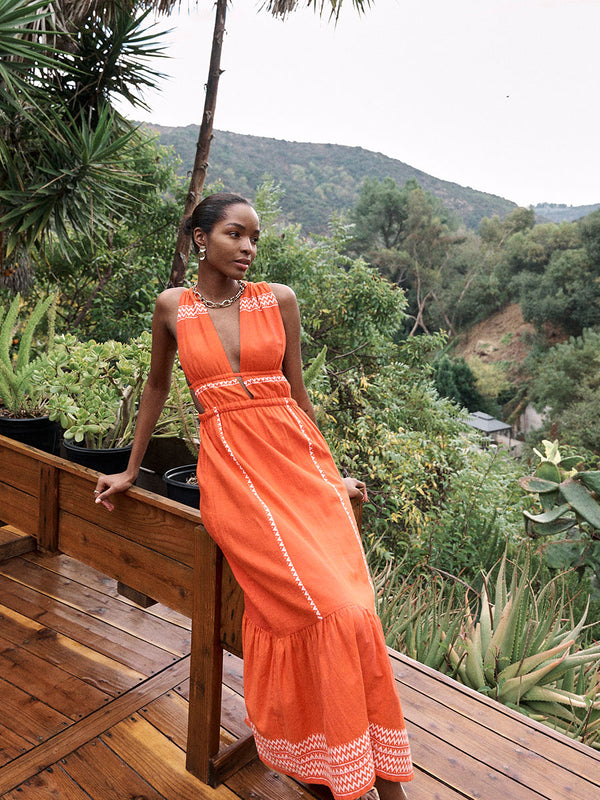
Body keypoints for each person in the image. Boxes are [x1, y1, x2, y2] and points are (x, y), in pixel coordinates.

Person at [94, 193, 413, 800]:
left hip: (299, 463)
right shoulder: (172, 308)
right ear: (200, 238)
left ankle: (371, 773)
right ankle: (326, 767)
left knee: (354, 607)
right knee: (320, 609)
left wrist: (333, 473)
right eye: (236, 234)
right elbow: (157, 388)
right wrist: (131, 471)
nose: (247, 248)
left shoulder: (279, 300)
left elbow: (297, 394)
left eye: (254, 239)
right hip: (235, 473)